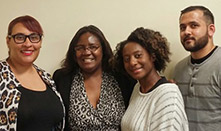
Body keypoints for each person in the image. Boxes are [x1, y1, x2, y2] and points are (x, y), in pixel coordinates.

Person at [114, 27, 189, 131]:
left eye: (138, 55)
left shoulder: (168, 94)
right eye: (127, 59)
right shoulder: (137, 88)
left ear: (153, 56)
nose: (132, 62)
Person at [53, 25, 125, 130]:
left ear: (103, 50)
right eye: (80, 48)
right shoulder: (62, 78)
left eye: (93, 47)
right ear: (74, 53)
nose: (86, 52)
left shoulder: (121, 78)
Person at [0, 15, 65, 131]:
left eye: (34, 37)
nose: (28, 44)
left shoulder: (46, 78)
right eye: (20, 37)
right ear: (8, 41)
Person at [173, 5, 221, 131]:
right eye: (182, 27)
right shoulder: (178, 69)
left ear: (211, 30)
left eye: (194, 25)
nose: (186, 32)